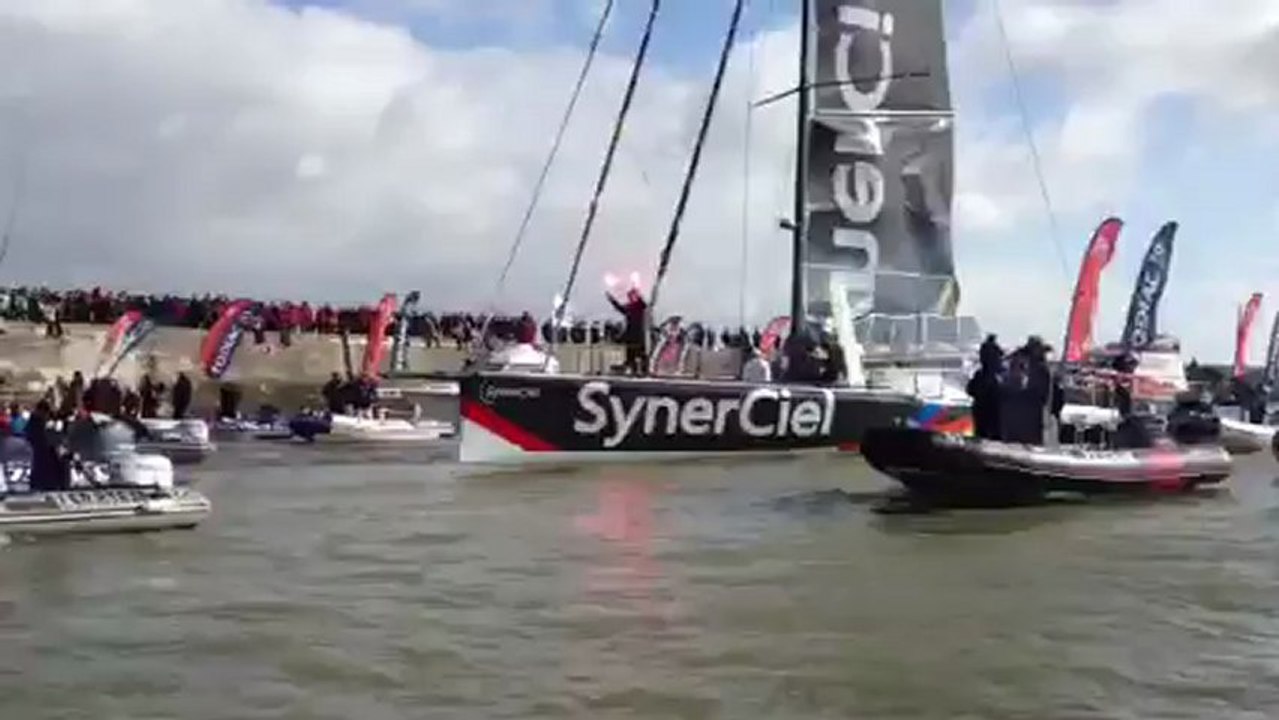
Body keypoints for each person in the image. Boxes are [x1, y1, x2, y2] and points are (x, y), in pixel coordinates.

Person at [966, 334, 1003, 440]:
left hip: (988, 416)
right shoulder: (984, 376)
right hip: (986, 415)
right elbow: (971, 390)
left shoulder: (987, 376)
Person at [607, 287, 650, 376]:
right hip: (630, 334)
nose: (631, 298)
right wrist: (612, 300)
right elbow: (620, 308)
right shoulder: (630, 307)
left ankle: (643, 371)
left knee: (640, 354)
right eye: (630, 296)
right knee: (631, 355)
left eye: (633, 296)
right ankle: (633, 371)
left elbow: (644, 304)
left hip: (638, 335)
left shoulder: (640, 306)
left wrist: (638, 294)